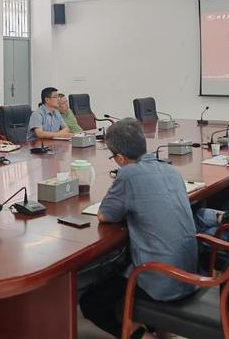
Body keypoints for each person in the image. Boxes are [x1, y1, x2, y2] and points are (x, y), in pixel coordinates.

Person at [79, 118, 198, 339]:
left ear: (120, 158)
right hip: (189, 272)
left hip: (161, 279)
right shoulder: (171, 170)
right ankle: (157, 329)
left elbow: (105, 215)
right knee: (117, 274)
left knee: (92, 301)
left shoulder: (128, 174)